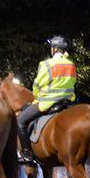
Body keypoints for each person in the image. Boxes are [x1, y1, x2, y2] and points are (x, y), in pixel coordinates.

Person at [17, 36, 77, 164]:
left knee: (19, 121)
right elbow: (73, 82)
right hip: (68, 102)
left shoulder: (46, 64)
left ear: (54, 49)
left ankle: (27, 154)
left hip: (47, 103)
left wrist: (37, 96)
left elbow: (37, 85)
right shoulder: (71, 64)